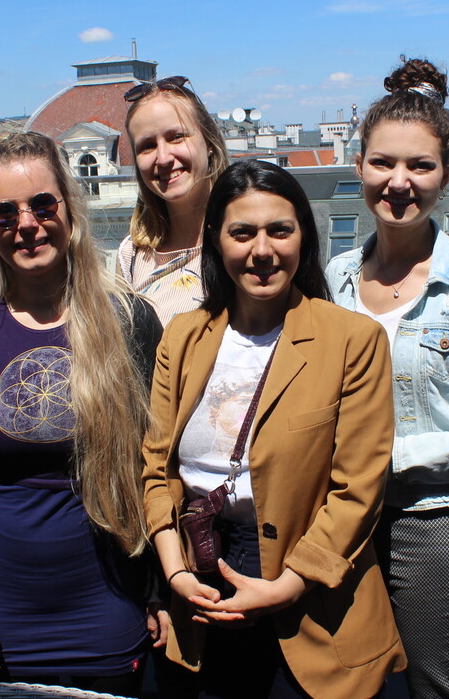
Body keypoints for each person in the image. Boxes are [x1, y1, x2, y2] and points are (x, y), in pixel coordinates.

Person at [143, 160, 407, 698]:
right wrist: (175, 573)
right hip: (200, 573)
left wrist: (288, 585)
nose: (262, 250)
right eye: (242, 233)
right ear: (216, 241)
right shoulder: (183, 338)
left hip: (311, 585)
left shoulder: (352, 341)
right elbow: (155, 469)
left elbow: (358, 488)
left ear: (303, 237)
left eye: (279, 231)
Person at [0, 132, 164, 695]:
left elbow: (157, 468)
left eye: (42, 205)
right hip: (5, 610)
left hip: (110, 597)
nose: (26, 224)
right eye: (5, 213)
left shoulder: (130, 322)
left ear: (69, 209)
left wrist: (160, 589)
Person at [326, 57, 449, 699]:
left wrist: (385, 458)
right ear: (358, 165)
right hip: (338, 522)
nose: (399, 182)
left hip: (431, 527)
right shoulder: (334, 279)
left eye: (420, 165)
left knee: (433, 688)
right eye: (382, 163)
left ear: (447, 173)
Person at [119, 76, 230, 325]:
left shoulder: (246, 238)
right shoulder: (132, 255)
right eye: (147, 146)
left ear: (209, 141)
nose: (163, 158)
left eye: (176, 137)